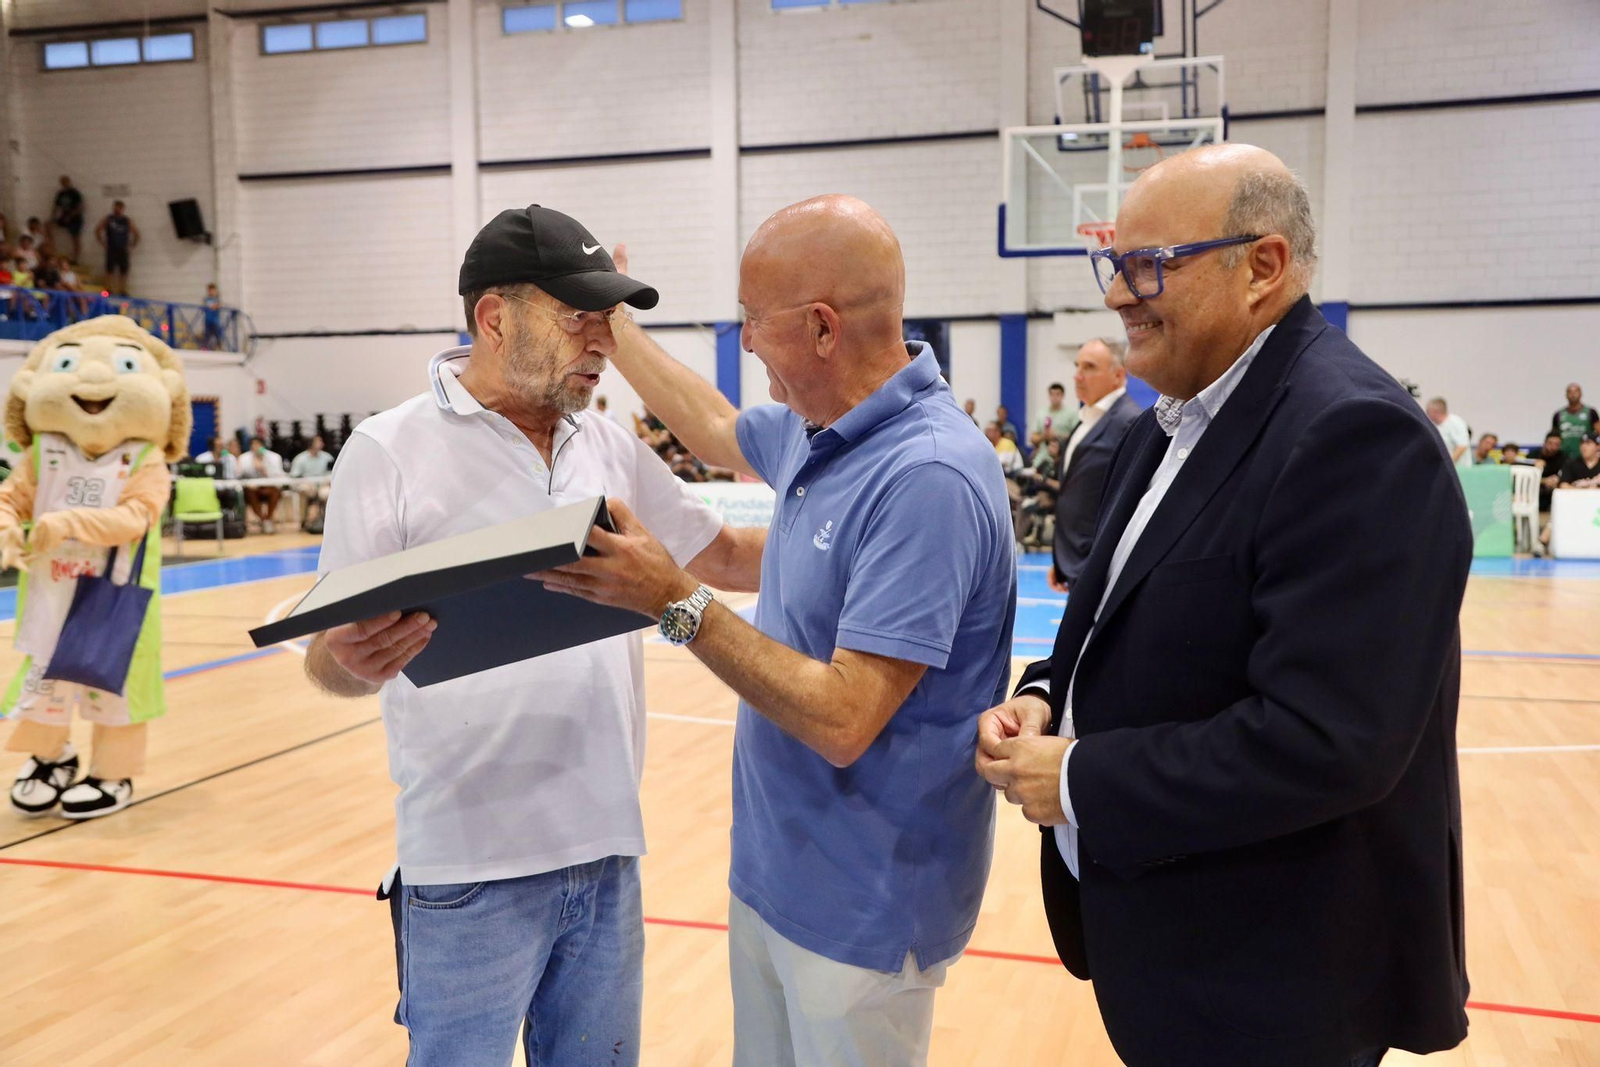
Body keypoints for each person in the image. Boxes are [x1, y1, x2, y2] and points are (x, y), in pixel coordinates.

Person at [977, 144, 1471, 1067]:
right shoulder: (1169, 421)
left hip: (1273, 979)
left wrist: (1079, 780)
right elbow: (1114, 622)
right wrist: (1045, 693)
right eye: (1113, 265)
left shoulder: (1353, 437)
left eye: (1150, 265)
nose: (1119, 293)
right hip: (1172, 948)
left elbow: (1329, 740)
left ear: (1264, 266)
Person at [540, 196, 1016, 1066]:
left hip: (865, 906)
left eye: (754, 319)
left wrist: (674, 599)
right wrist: (619, 333)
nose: (747, 340)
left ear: (823, 328)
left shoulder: (928, 476)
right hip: (776, 875)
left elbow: (844, 718)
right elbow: (717, 428)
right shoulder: (818, 426)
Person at [302, 204, 758, 1066]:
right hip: (466, 864)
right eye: (577, 315)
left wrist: (861, 534)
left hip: (608, 852)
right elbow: (331, 654)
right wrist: (351, 661)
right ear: (494, 316)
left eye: (607, 319)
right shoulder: (388, 449)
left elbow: (725, 553)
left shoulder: (609, 444)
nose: (600, 341)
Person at [1049, 336, 1141, 592]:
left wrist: (1095, 564)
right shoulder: (1086, 419)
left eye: (1089, 367)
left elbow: (1130, 503)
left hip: (1102, 569)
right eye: (1077, 366)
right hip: (1076, 563)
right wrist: (1061, 559)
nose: (1078, 376)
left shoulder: (1129, 422)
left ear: (1118, 375)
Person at [236, 436, 284, 532]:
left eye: (258, 444)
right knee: (250, 493)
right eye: (253, 444)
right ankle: (264, 520)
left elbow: (278, 476)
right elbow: (239, 475)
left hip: (269, 487)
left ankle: (267, 519)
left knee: (275, 492)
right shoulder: (243, 458)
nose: (255, 447)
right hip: (252, 488)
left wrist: (263, 469)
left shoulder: (274, 457)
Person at [288, 434, 334, 531]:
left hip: (323, 484)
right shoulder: (300, 458)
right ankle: (305, 520)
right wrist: (307, 482)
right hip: (306, 484)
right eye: (318, 441)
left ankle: (328, 520)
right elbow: (295, 476)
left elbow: (332, 473)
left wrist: (326, 482)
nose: (322, 443)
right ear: (311, 444)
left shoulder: (327, 457)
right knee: (305, 490)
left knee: (327, 493)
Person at [95, 201, 139, 297]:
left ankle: (122, 290)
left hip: (122, 248)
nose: (117, 209)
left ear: (122, 208)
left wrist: (131, 246)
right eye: (115, 207)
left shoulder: (127, 220)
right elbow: (97, 230)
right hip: (111, 248)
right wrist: (102, 243)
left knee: (124, 270)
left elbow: (136, 234)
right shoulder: (108, 219)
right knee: (109, 269)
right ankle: (108, 289)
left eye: (119, 207)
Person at [1551, 383, 1600, 458]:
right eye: (1570, 392)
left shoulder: (1591, 412)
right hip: (1564, 456)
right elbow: (1554, 436)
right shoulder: (1558, 415)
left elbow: (1598, 432)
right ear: (1566, 395)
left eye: (1575, 391)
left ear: (1580, 393)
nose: (1573, 394)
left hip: (1585, 456)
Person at [1030, 381, 1080, 448]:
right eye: (1052, 394)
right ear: (1049, 396)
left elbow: (1077, 437)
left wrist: (1056, 436)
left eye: (1057, 394)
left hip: (1063, 453)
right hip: (1043, 454)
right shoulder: (1041, 413)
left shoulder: (1072, 414)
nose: (1054, 397)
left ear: (1062, 396)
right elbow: (1033, 438)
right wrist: (1043, 436)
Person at [1426, 396, 1471, 468]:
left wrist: (1448, 463)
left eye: (1428, 411)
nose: (1426, 414)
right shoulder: (1435, 426)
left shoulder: (1455, 422)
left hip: (1459, 469)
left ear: (1435, 411)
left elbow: (1462, 446)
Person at [51, 177, 84, 262]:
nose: (64, 184)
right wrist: (53, 218)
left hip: (75, 218)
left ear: (69, 182)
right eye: (62, 182)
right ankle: (52, 252)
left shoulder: (74, 193)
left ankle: (75, 259)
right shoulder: (60, 193)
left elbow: (80, 207)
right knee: (48, 226)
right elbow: (55, 207)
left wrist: (70, 216)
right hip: (64, 216)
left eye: (66, 182)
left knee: (75, 238)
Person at [202, 283, 225, 350]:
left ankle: (219, 346)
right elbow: (204, 306)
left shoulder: (217, 299)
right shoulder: (206, 299)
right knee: (207, 334)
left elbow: (218, 305)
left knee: (217, 333)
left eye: (213, 290)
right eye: (210, 290)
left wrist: (215, 306)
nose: (211, 292)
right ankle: (205, 347)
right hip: (208, 320)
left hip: (215, 320)